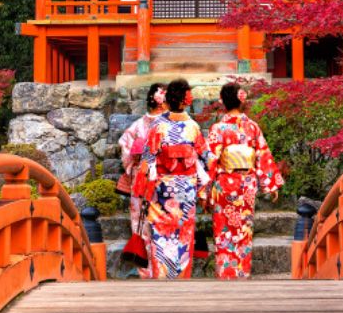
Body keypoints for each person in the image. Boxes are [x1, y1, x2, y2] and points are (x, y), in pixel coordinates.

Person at [132, 78, 212, 279]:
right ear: (184, 100)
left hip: (163, 189)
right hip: (184, 189)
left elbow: (147, 159)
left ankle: (163, 279)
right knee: (182, 237)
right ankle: (180, 279)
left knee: (163, 236)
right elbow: (206, 158)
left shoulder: (158, 125)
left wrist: (142, 190)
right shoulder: (192, 127)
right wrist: (206, 188)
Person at [207, 83, 283, 279]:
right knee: (244, 229)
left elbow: (211, 161)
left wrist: (204, 191)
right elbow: (262, 155)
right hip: (247, 184)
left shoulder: (218, 128)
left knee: (224, 230)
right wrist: (270, 184)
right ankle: (242, 272)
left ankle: (226, 273)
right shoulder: (252, 127)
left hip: (224, 183)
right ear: (242, 100)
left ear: (222, 101)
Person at [118, 83, 167, 276]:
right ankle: (163, 269)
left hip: (141, 176)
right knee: (164, 222)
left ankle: (146, 270)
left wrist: (133, 163)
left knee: (141, 222)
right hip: (166, 178)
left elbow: (126, 151)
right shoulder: (174, 126)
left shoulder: (137, 126)